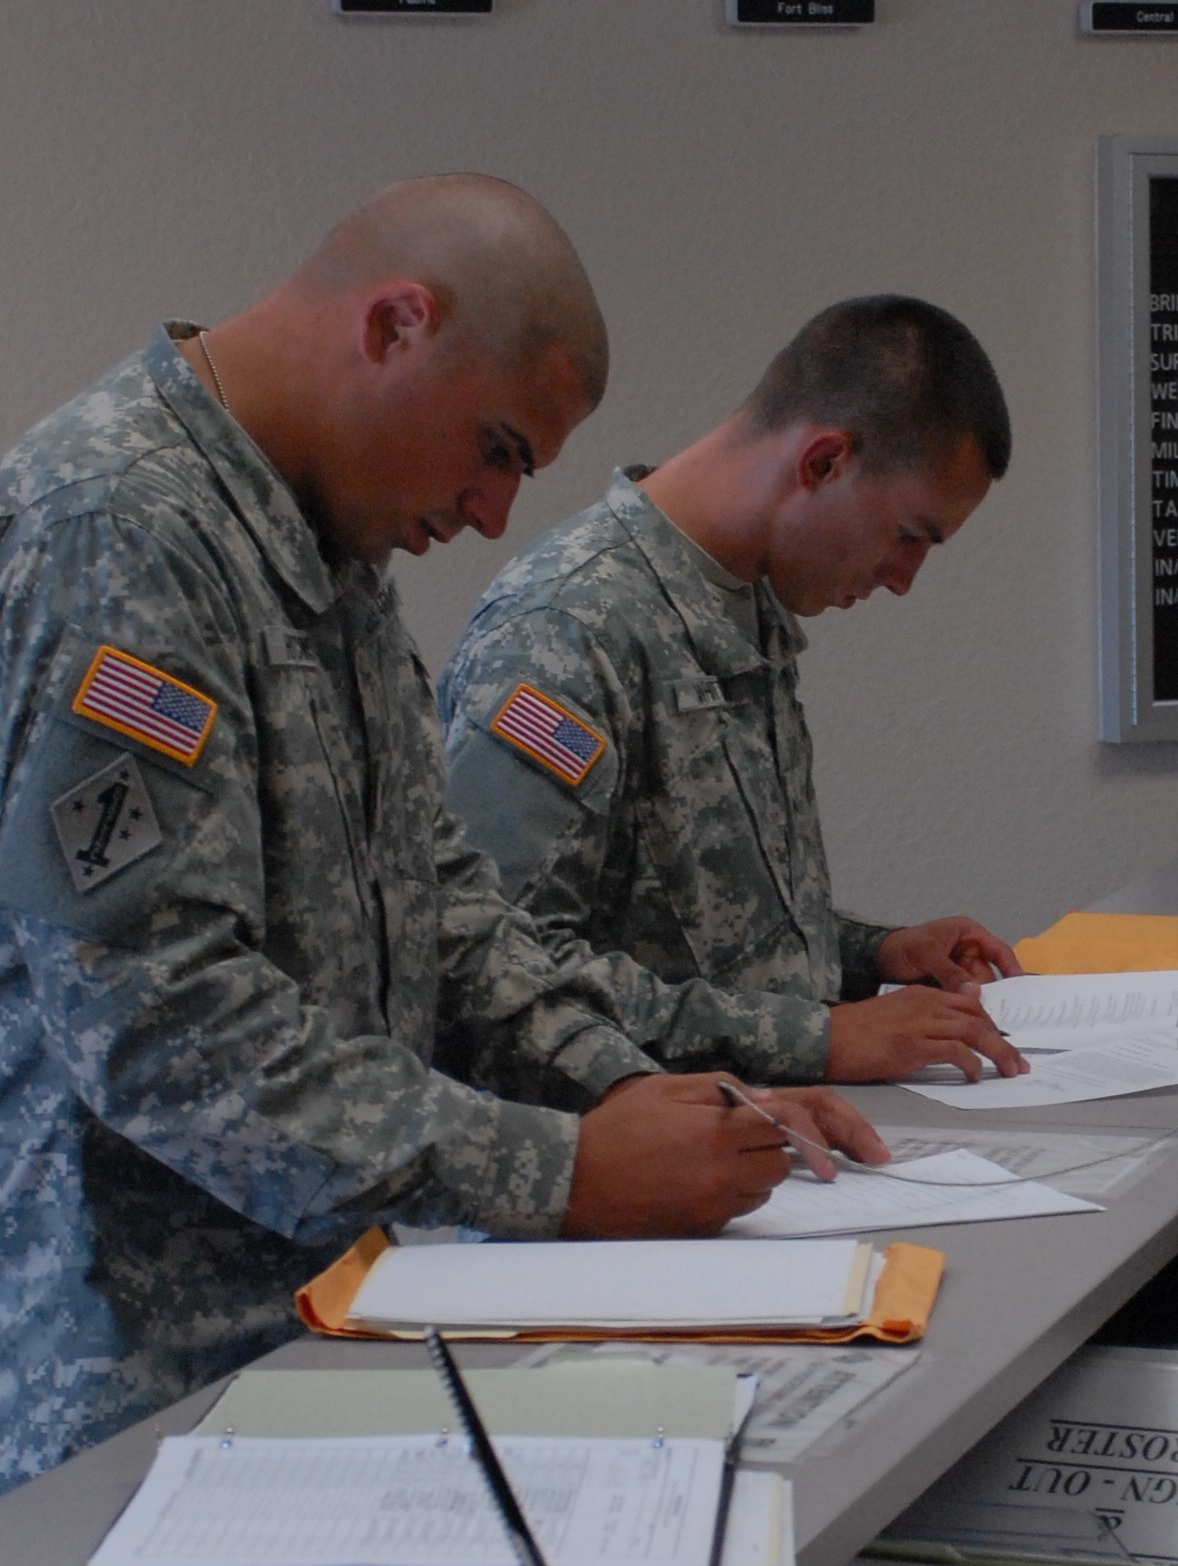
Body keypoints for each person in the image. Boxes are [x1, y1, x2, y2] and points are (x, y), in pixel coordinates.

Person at [0, 177, 881, 1516]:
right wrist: (563, 1168)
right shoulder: (109, 538)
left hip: (319, 1302)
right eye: (494, 448)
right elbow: (158, 1023)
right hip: (105, 1370)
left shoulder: (323, 552)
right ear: (396, 325)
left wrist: (658, 1096)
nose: (490, 512)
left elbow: (450, 918)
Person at [440, 294, 1026, 1088]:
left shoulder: (743, 600)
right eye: (909, 534)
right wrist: (813, 1038)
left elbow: (707, 933)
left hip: (767, 1148)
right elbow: (498, 983)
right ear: (823, 462)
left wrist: (871, 955)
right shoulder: (569, 625)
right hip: (624, 1185)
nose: (902, 580)